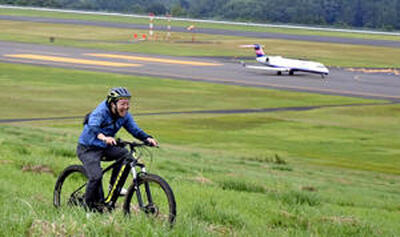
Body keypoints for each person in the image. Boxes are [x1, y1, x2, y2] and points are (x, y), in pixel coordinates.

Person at [77, 87, 158, 212]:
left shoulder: (124, 116)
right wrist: (104, 138)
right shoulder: (101, 112)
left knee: (125, 155)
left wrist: (147, 138)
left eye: (127, 103)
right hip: (88, 148)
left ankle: (114, 187)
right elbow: (93, 127)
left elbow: (135, 130)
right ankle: (87, 210)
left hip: (105, 147)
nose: (126, 107)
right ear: (112, 104)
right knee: (96, 177)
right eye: (122, 104)